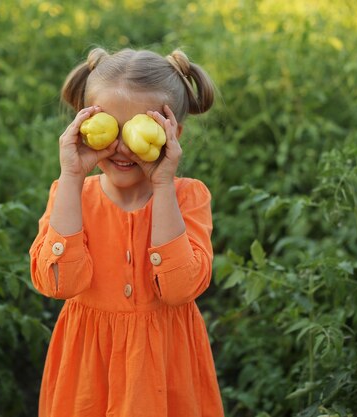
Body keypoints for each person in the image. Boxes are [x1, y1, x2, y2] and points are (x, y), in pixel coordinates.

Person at [29, 47, 224, 417]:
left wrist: (164, 184)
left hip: (165, 371)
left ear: (173, 133)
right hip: (89, 372)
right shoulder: (71, 196)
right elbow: (58, 283)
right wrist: (71, 175)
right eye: (108, 129)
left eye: (137, 129)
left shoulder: (187, 196)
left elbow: (180, 289)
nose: (121, 147)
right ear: (84, 125)